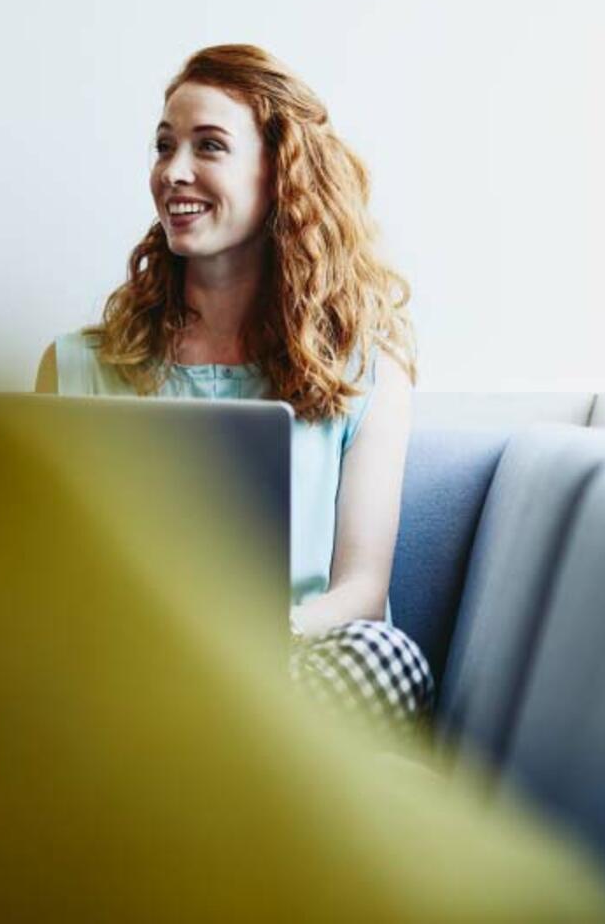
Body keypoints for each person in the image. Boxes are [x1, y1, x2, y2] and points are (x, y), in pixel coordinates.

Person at [34, 44, 432, 732]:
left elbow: (360, 592)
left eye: (208, 146)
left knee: (380, 655)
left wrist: (248, 650)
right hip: (126, 680)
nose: (173, 172)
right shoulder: (74, 367)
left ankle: (213, 778)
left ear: (281, 173)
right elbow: (45, 587)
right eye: (164, 147)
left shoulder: (365, 369)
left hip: (291, 670)